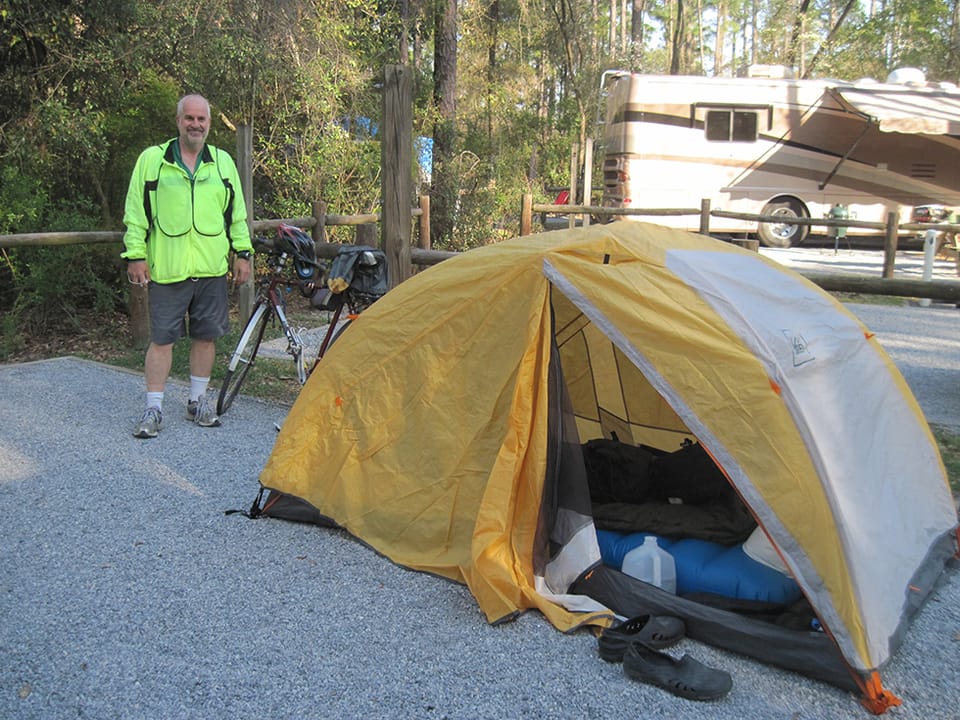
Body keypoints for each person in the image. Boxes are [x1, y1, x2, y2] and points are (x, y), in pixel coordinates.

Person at [122, 94, 253, 438]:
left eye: (201, 119)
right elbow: (136, 212)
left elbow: (237, 215)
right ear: (179, 121)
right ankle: (153, 408)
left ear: (209, 123)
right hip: (168, 269)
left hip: (211, 269)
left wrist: (243, 253)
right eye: (189, 118)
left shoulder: (222, 163)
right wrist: (135, 254)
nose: (196, 124)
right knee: (161, 340)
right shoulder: (153, 160)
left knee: (205, 337)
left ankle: (197, 402)